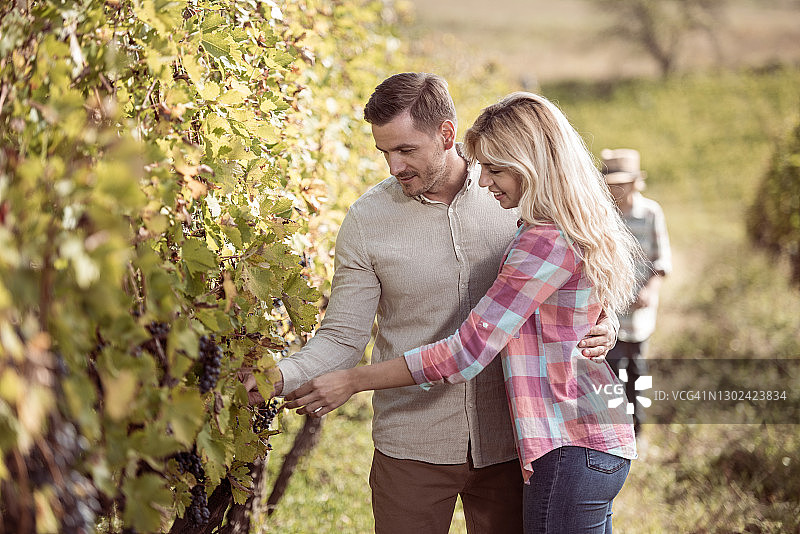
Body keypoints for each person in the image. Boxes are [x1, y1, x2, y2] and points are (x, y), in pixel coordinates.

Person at [251, 74, 618, 534]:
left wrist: (606, 321)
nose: (394, 167)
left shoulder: (514, 196)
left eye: (406, 150)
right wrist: (280, 376)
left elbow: (573, 273)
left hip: (515, 443)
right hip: (411, 446)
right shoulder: (368, 221)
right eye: (384, 152)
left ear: (446, 134)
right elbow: (343, 335)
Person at [601, 148, 672, 433]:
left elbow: (662, 259)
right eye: (610, 185)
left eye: (619, 184)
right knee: (611, 369)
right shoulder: (604, 216)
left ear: (633, 183)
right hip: (612, 311)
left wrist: (650, 290)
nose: (614, 190)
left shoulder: (651, 213)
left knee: (636, 368)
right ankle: (616, 429)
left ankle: (638, 425)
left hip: (640, 313)